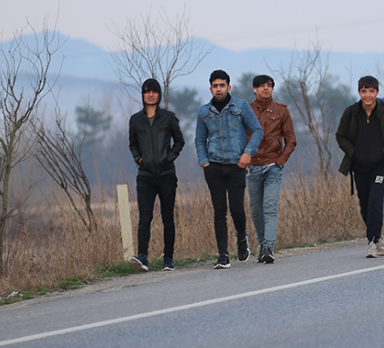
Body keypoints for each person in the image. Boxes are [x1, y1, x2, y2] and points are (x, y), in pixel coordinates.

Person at [196, 70, 264, 269]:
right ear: (211, 88)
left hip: (236, 166)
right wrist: (205, 163)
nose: (219, 89)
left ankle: (242, 238)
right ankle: (223, 255)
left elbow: (257, 130)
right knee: (219, 211)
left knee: (236, 209)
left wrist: (248, 153)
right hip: (214, 167)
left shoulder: (241, 107)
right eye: (215, 86)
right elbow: (200, 140)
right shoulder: (204, 112)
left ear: (229, 87)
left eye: (222, 85)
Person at [336, 76, 384, 258]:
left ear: (377, 92)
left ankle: (372, 242)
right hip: (359, 167)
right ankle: (378, 237)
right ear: (359, 92)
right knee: (365, 204)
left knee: (375, 201)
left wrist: (382, 153)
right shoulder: (351, 113)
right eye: (364, 91)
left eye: (371, 91)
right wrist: (354, 153)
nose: (368, 95)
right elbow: (341, 136)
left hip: (380, 166)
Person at [127, 78, 186, 272]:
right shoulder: (135, 120)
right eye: (147, 91)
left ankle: (168, 259)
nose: (150, 94)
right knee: (144, 218)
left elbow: (179, 141)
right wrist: (139, 159)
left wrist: (169, 157)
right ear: (142, 95)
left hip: (166, 174)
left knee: (168, 218)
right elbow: (133, 144)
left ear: (159, 94)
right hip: (145, 176)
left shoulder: (168, 118)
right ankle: (143, 257)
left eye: (154, 91)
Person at [247, 74, 297, 263]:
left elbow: (291, 140)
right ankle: (262, 246)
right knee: (256, 211)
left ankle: (269, 247)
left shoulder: (282, 110)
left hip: (272, 166)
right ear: (255, 89)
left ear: (273, 88)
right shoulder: (246, 110)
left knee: (270, 207)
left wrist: (281, 160)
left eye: (269, 85)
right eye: (261, 85)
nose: (265, 88)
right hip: (252, 166)